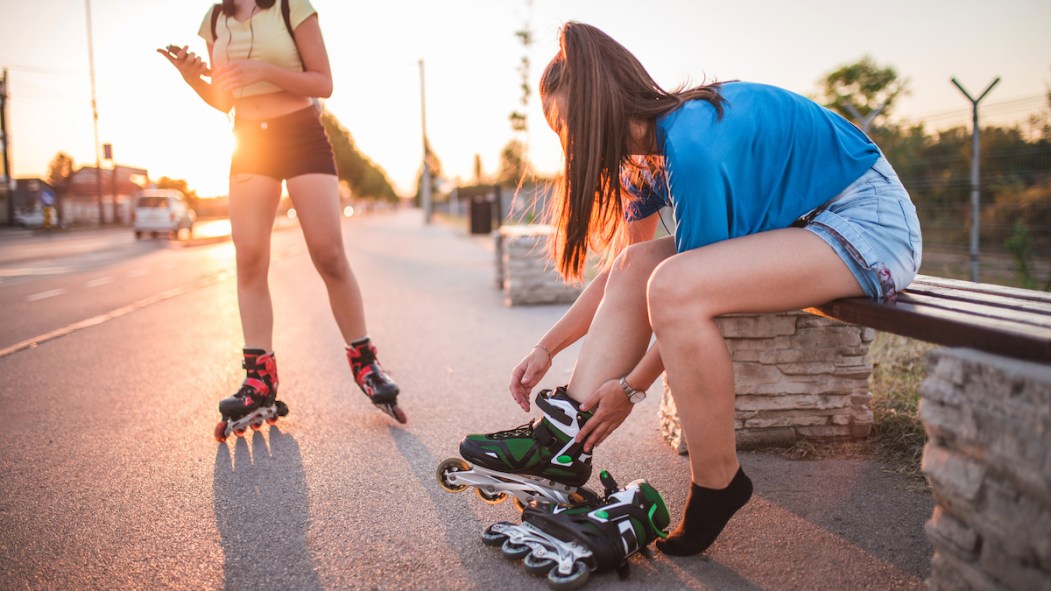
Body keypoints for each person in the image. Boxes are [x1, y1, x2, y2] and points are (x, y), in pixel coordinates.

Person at [467, 21, 922, 557]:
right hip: (804, 225)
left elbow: (680, 297)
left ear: (595, 107)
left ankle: (718, 483)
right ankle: (564, 439)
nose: (566, 145)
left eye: (565, 126)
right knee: (643, 264)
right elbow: (627, 275)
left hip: (867, 223)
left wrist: (631, 391)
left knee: (676, 283)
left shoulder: (695, 144)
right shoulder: (645, 158)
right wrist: (548, 346)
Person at [158, 0, 403, 433]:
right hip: (249, 140)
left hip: (300, 134)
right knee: (250, 257)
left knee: (328, 254)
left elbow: (323, 82)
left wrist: (263, 71)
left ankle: (366, 363)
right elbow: (223, 99)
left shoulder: (292, 8)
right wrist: (192, 76)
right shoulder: (215, 20)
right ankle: (259, 378)